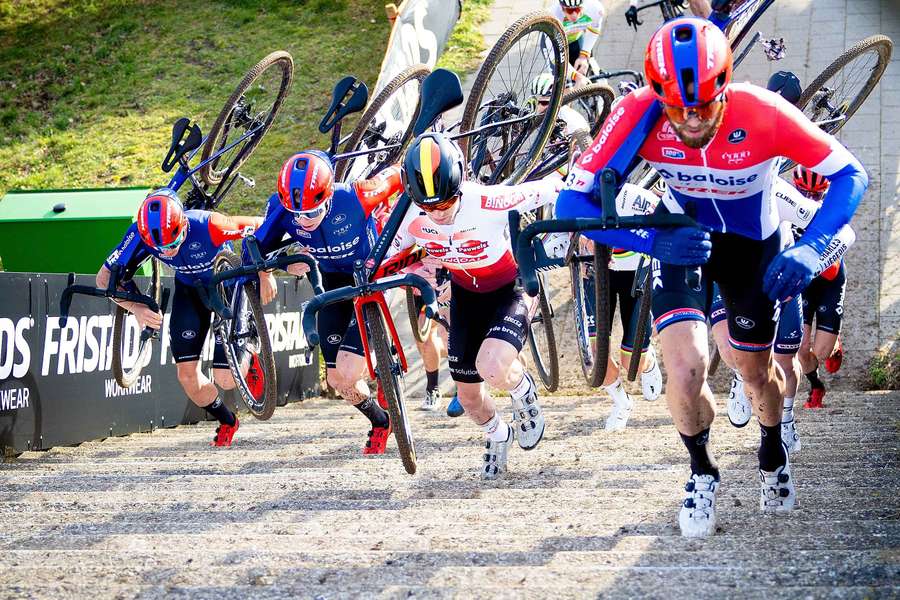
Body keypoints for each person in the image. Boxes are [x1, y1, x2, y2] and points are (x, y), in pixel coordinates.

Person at [555, 17, 867, 536]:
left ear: (725, 85)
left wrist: (812, 248)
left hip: (752, 250)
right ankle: (701, 471)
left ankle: (772, 447)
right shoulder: (640, 112)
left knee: (753, 372)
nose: (692, 118)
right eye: (678, 107)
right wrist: (651, 240)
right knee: (686, 369)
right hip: (681, 240)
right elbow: (572, 201)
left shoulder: (762, 112)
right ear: (659, 94)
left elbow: (851, 174)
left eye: (704, 104)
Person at [391, 133, 562, 479]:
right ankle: (499, 435)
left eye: (446, 203)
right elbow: (383, 253)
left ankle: (523, 391)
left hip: (509, 288)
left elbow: (551, 187)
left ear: (461, 184)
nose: (438, 213)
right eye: (429, 207)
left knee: (492, 368)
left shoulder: (488, 200)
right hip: (465, 295)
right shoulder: (411, 216)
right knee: (469, 398)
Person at [249, 151, 407, 454]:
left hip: (368, 273)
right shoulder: (281, 210)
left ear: (328, 196)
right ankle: (379, 420)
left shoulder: (357, 195)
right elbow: (254, 249)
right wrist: (276, 265)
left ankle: (384, 362)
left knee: (350, 368)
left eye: (310, 213)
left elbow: (401, 174)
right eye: (295, 214)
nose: (302, 221)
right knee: (338, 380)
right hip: (332, 280)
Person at [98, 189, 263, 446]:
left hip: (225, 286)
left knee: (226, 379)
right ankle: (228, 420)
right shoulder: (137, 234)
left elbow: (262, 226)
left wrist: (265, 273)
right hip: (189, 290)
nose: (170, 252)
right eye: (161, 249)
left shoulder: (209, 224)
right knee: (187, 377)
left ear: (183, 224)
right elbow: (104, 279)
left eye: (174, 243)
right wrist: (137, 309)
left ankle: (249, 348)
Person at [791, 167, 849, 409]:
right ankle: (816, 385)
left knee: (821, 352)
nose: (810, 199)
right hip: (801, 281)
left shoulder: (834, 211)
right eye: (804, 192)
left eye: (816, 195)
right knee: (801, 347)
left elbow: (831, 270)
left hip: (827, 278)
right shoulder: (785, 204)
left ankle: (833, 345)